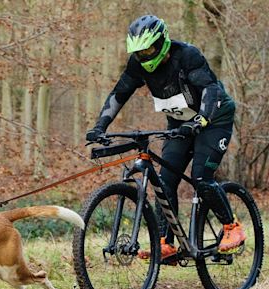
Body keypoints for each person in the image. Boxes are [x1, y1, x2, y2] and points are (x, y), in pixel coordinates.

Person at [85, 15, 246, 262]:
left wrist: (201, 120)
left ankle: (232, 227)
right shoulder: (137, 64)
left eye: (149, 49)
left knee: (201, 177)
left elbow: (210, 90)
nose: (145, 56)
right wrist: (99, 127)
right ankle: (166, 242)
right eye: (139, 52)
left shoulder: (187, 55)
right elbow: (119, 93)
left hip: (214, 119)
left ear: (162, 42)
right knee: (164, 181)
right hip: (179, 124)